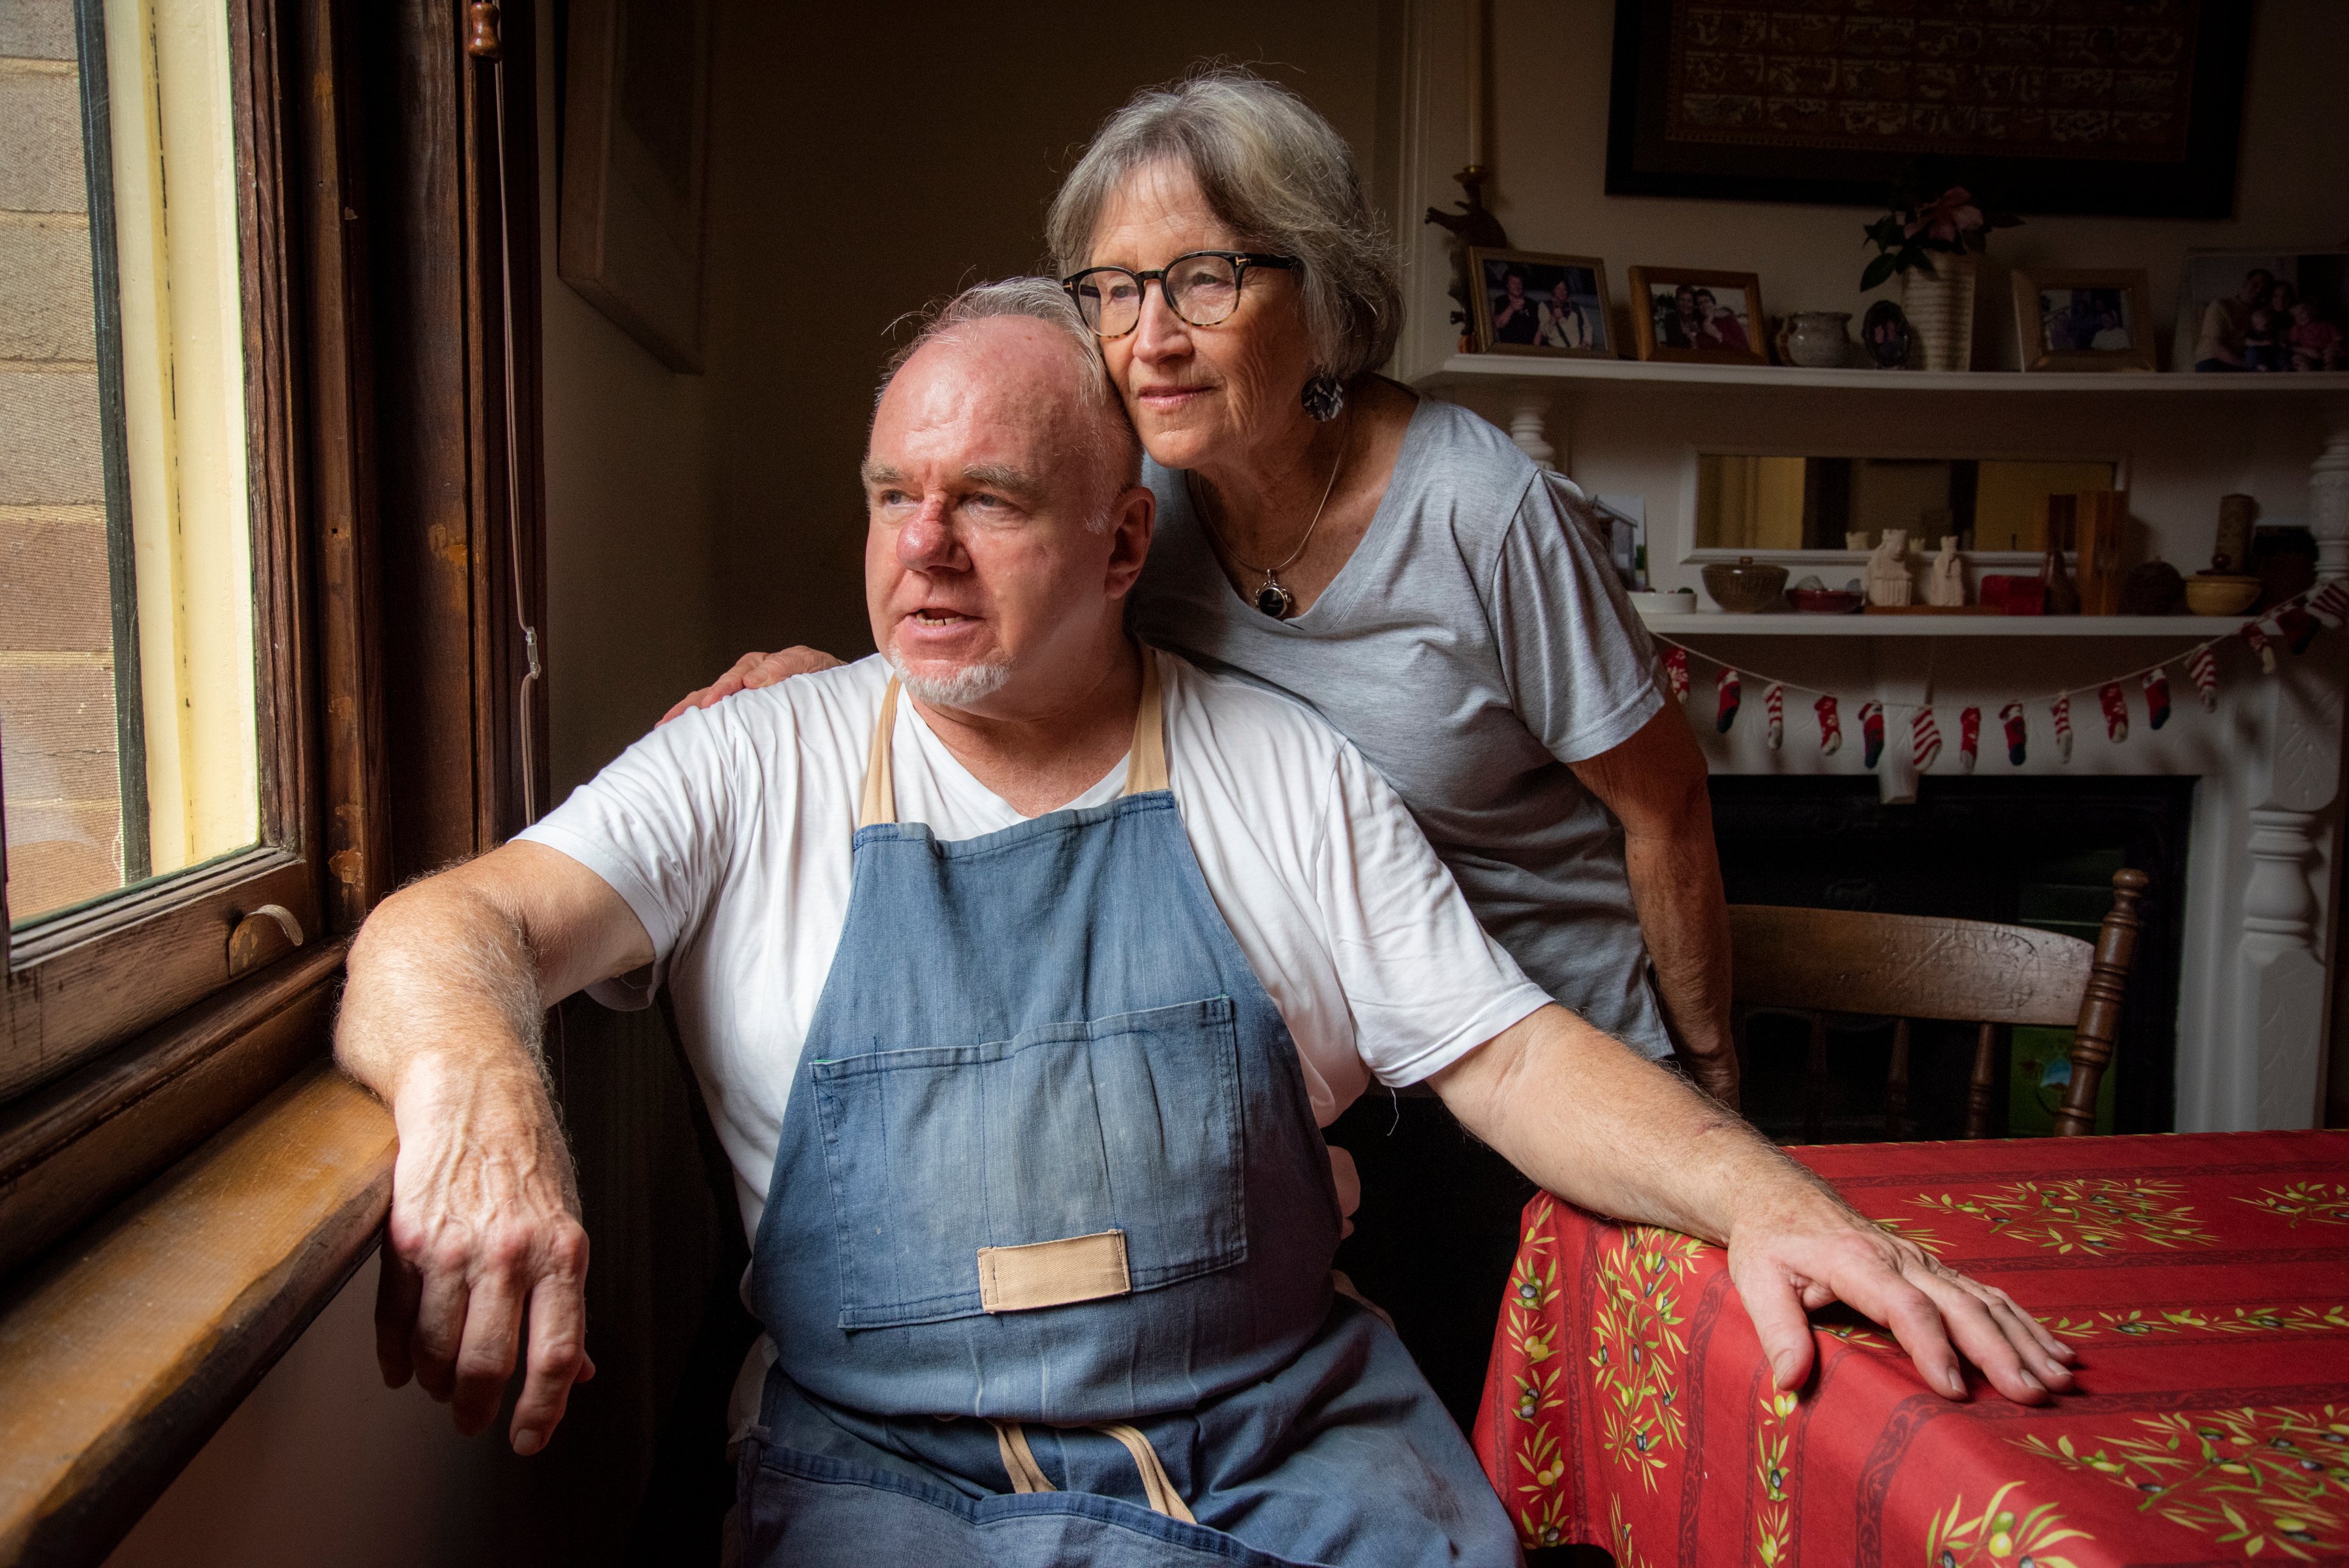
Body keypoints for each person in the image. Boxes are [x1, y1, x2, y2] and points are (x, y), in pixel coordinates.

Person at [339, 280, 2076, 1568]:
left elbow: (1510, 1049)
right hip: (898, 1486)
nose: (922, 550)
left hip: (1300, 1455)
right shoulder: (752, 761)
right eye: (892, 493)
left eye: (991, 499)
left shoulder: (1281, 769)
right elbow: (447, 927)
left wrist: (1772, 1197)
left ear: (1118, 542)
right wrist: (481, 1096)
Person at [668, 69, 1740, 1428]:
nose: (1150, 336)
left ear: (1330, 293)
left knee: (1576, 1442)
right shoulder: (1138, 507)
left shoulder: (1483, 509)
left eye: (1206, 280)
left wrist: (1707, 1079)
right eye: (1113, 290)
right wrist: (828, 688)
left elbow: (1666, 807)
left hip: (1539, 1050)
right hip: (1331, 1056)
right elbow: (986, 631)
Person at [2194, 267, 2274, 370]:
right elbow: (2217, 348)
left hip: (2245, 361)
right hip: (2213, 361)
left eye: (2264, 289)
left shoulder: (2260, 314)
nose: (2259, 290)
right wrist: (2250, 366)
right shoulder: (2221, 306)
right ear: (2246, 282)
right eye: (2255, 284)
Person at [2288, 298, 2344, 371]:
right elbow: (2293, 347)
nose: (2299, 317)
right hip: (2308, 354)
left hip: (2326, 354)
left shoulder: (2326, 325)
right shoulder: (2296, 329)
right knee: (2301, 362)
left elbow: (2339, 339)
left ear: (2313, 310)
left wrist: (2331, 348)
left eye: (2302, 312)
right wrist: (2307, 351)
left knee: (2332, 358)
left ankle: (2330, 380)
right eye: (2296, 315)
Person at [1534, 275, 1588, 349]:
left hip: (1580, 352)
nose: (1562, 292)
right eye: (1558, 289)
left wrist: (1586, 344)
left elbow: (1587, 327)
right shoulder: (1545, 306)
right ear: (1553, 290)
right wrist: (1554, 319)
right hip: (1558, 352)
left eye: (1564, 289)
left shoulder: (1577, 308)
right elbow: (1544, 332)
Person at [1488, 268, 1537, 344]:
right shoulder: (1501, 301)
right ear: (1507, 285)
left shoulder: (1531, 303)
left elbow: (1537, 330)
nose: (1517, 286)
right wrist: (1511, 308)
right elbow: (1498, 324)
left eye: (1519, 283)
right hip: (1508, 347)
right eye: (1513, 283)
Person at [1694, 286, 1747, 350]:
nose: (1704, 305)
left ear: (1713, 303)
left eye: (1706, 301)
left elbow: (1744, 347)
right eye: (1700, 303)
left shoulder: (1727, 318)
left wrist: (1719, 336)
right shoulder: (1700, 327)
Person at [1657, 283, 1702, 347]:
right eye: (1682, 300)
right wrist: (1684, 333)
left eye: (1689, 301)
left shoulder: (1699, 318)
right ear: (1678, 302)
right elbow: (1673, 344)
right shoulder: (1671, 318)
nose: (1685, 304)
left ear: (1694, 304)